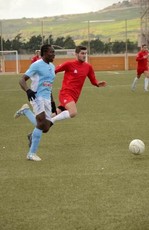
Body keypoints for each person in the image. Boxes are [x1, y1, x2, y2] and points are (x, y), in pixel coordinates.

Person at [14, 45, 106, 146]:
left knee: (48, 122)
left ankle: (33, 133)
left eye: (85, 53)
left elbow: (93, 80)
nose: (84, 55)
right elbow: (53, 71)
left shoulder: (88, 67)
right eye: (82, 53)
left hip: (74, 97)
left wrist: (97, 83)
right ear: (76, 54)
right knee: (73, 112)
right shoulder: (69, 64)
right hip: (65, 94)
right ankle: (48, 121)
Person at [18, 44, 55, 161]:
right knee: (41, 122)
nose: (53, 54)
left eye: (54, 52)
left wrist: (53, 101)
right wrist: (28, 90)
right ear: (44, 53)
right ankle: (31, 153)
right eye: (51, 52)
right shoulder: (36, 65)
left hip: (47, 98)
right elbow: (22, 80)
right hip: (37, 96)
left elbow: (49, 84)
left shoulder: (52, 66)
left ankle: (26, 112)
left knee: (46, 127)